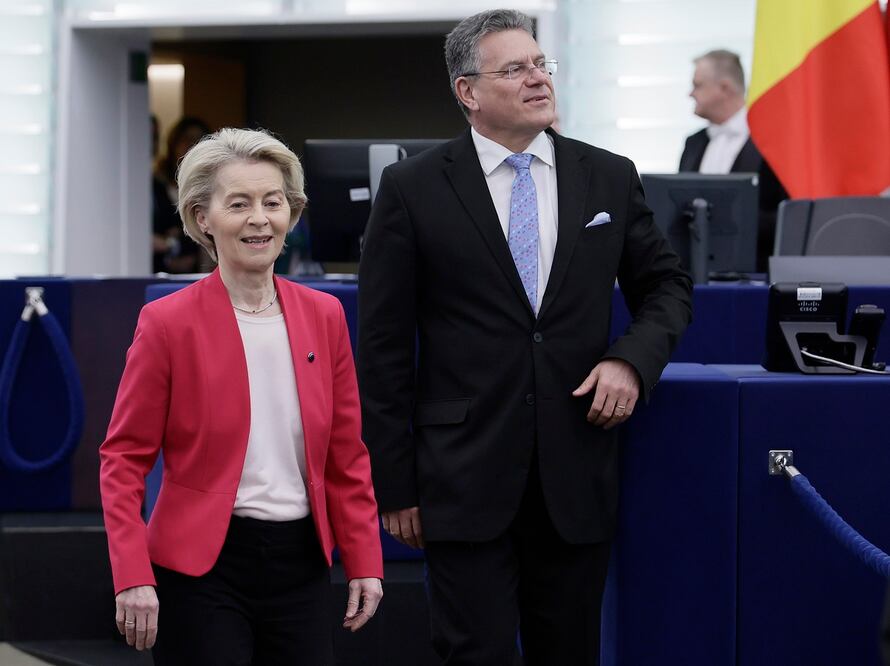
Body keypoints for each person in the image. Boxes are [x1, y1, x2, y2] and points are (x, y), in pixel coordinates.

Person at [357, 9, 692, 665]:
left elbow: (668, 286)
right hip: (462, 477)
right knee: (473, 653)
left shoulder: (608, 175)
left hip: (576, 471)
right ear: (468, 92)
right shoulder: (412, 187)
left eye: (541, 64)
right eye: (515, 69)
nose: (538, 78)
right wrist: (394, 486)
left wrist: (630, 361)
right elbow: (383, 349)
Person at [101, 128, 383, 664]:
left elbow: (346, 454)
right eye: (239, 204)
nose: (260, 219)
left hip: (301, 565)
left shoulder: (325, 315)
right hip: (199, 570)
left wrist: (364, 558)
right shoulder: (167, 323)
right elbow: (123, 459)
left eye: (273, 202)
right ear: (202, 217)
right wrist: (132, 574)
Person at [679, 49, 787, 271]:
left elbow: (787, 216)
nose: (691, 94)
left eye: (698, 85)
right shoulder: (693, 143)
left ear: (724, 88)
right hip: (694, 273)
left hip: (755, 273)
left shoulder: (773, 141)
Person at [152, 116, 209, 273]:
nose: (192, 145)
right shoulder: (156, 184)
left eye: (199, 140)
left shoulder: (211, 185)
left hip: (198, 269)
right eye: (187, 139)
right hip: (160, 269)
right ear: (173, 143)